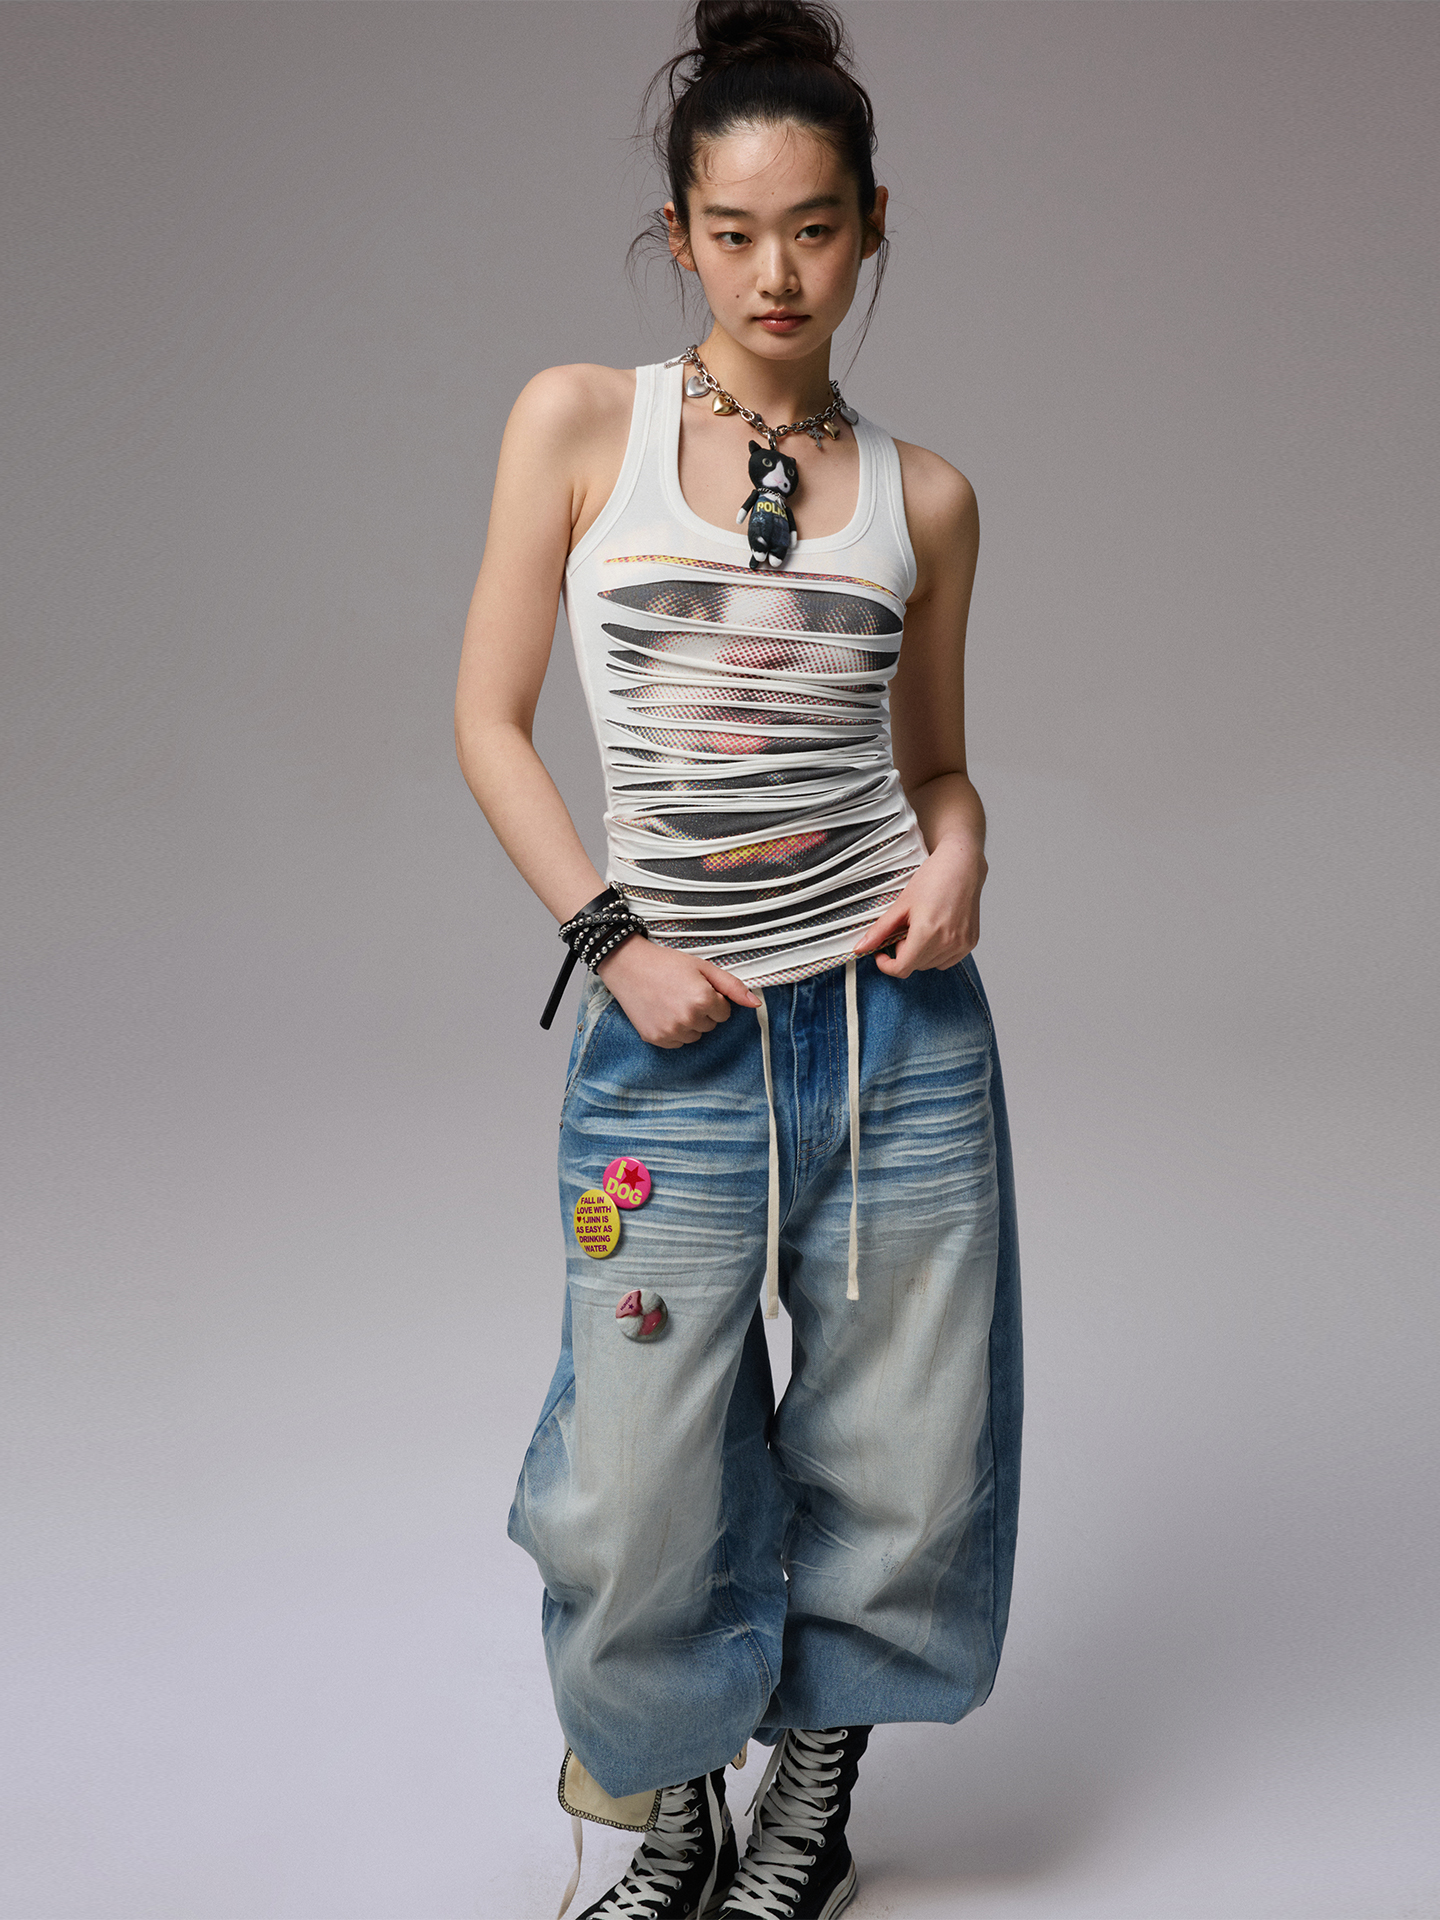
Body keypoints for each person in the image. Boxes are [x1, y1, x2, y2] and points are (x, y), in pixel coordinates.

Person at [454, 3, 1022, 1913]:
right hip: (671, 1030)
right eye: (735, 230)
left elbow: (936, 773)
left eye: (817, 228)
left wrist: (964, 857)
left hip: (897, 1033)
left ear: (873, 228)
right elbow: (485, 722)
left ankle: (810, 1806)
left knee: (904, 1453)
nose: (778, 271)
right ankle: (666, 1807)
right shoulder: (578, 425)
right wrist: (614, 943)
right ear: (680, 231)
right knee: (636, 1475)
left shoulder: (926, 497)